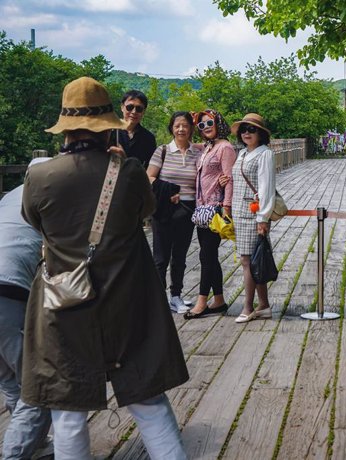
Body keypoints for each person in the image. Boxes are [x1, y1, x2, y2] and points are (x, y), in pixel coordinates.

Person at [21, 76, 189, 459]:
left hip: (64, 307)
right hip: (126, 299)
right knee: (148, 402)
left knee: (67, 412)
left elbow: (36, 224)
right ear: (107, 126)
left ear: (65, 129)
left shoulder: (40, 176)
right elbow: (145, 211)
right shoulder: (127, 171)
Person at [0, 158, 53, 460]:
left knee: (10, 379)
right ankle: (15, 454)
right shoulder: (47, 197)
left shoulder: (9, 195)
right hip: (8, 293)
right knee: (39, 385)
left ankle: (38, 446)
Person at [147, 112, 202, 313]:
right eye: (177, 125)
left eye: (185, 126)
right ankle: (158, 298)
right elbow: (149, 177)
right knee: (160, 257)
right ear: (171, 128)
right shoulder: (162, 151)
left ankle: (176, 296)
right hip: (164, 210)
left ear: (191, 129)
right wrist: (169, 190)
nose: (181, 129)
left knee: (180, 256)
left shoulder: (198, 153)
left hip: (188, 210)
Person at [183, 109, 235, 319]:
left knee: (206, 255)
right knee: (209, 255)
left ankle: (201, 301)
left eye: (209, 123)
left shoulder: (226, 148)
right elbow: (185, 143)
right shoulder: (206, 148)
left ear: (219, 122)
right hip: (202, 209)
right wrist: (188, 122)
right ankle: (219, 300)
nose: (206, 127)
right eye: (202, 125)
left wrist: (227, 209)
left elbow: (229, 179)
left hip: (215, 208)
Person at [229, 113, 276, 323]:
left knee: (247, 261)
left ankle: (248, 307)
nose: (247, 133)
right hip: (240, 211)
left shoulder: (265, 154)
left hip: (254, 213)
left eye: (252, 129)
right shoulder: (241, 154)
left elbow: (267, 187)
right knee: (254, 259)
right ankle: (263, 305)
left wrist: (263, 217)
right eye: (244, 129)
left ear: (261, 133)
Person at [114, 89, 157, 167]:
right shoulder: (110, 132)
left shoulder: (148, 138)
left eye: (139, 109)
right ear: (122, 107)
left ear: (143, 111)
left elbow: (149, 167)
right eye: (130, 107)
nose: (134, 112)